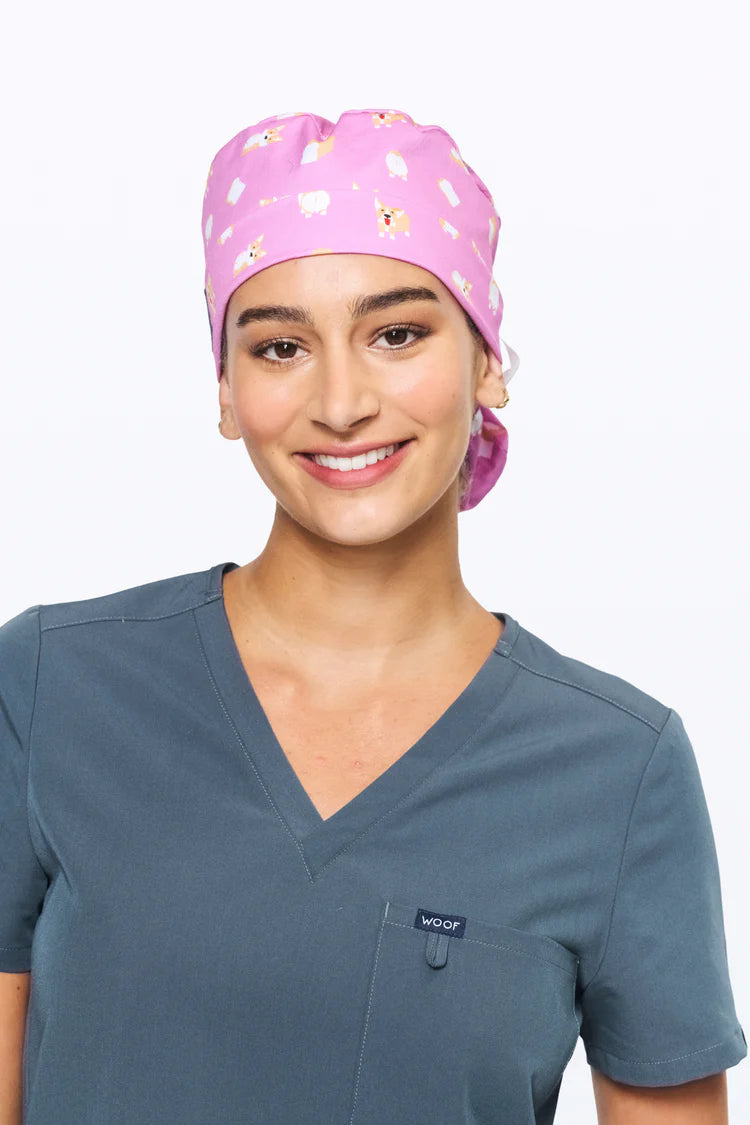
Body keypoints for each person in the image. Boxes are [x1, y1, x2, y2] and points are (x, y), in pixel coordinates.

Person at [0, 107, 745, 1125]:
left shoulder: (619, 769)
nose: (342, 401)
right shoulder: (53, 689)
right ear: (225, 391)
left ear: (487, 361)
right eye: (280, 347)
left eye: (397, 334)